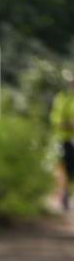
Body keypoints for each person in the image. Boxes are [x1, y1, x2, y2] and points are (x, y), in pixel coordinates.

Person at [50, 74, 74, 211]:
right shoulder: (63, 99)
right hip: (64, 139)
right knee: (63, 167)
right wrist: (68, 124)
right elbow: (56, 120)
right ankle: (63, 193)